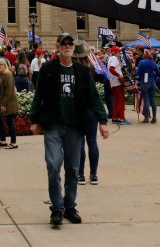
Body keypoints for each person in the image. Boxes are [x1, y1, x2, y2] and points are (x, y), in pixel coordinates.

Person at [30, 33, 110, 226]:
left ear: (73, 48)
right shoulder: (48, 69)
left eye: (70, 43)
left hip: (75, 126)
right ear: (58, 47)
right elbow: (38, 95)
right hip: (53, 125)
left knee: (73, 169)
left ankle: (69, 206)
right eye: (63, 43)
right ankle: (56, 209)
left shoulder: (82, 71)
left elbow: (94, 97)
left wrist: (103, 120)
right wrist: (34, 119)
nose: (67, 46)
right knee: (53, 165)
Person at [74, 44, 103, 185]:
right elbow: (95, 96)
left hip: (79, 111)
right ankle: (94, 174)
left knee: (80, 143)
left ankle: (80, 174)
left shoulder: (72, 71)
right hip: (91, 111)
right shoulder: (90, 70)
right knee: (92, 142)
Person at [0, 57, 19, 149]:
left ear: (5, 65)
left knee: (9, 121)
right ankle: (3, 140)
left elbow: (9, 91)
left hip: (8, 103)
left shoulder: (8, 75)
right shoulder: (0, 75)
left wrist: (4, 104)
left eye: (0, 64)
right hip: (1, 102)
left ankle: (13, 142)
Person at [135, 50, 160, 124]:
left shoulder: (141, 62)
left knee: (146, 100)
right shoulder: (153, 63)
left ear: (144, 56)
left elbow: (138, 73)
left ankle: (146, 118)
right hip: (152, 82)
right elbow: (159, 74)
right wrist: (153, 75)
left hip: (144, 82)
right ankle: (154, 117)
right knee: (153, 99)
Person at [106, 46, 128, 124]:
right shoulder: (114, 58)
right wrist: (119, 75)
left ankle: (115, 118)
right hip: (117, 82)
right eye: (118, 52)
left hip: (113, 82)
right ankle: (121, 118)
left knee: (116, 100)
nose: (120, 53)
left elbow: (111, 69)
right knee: (121, 100)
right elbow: (111, 69)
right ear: (115, 52)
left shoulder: (110, 58)